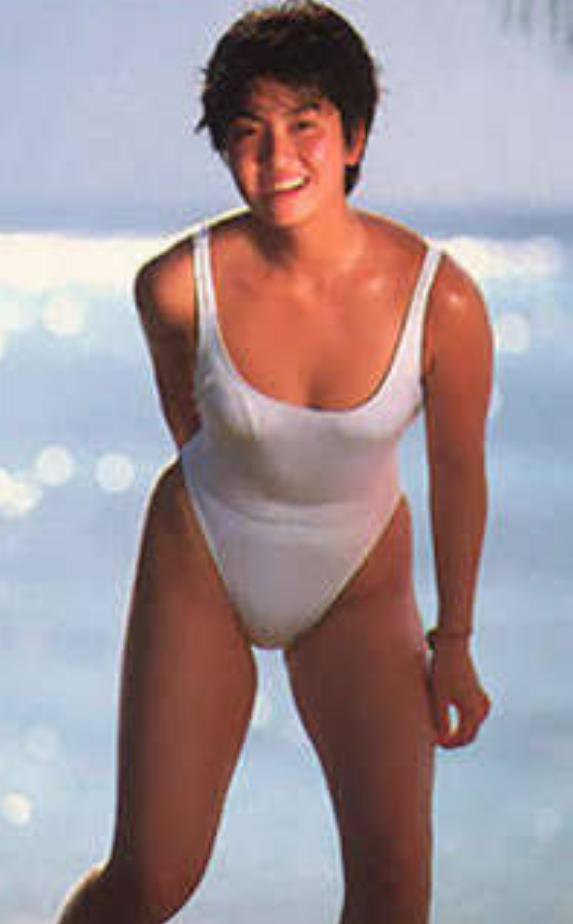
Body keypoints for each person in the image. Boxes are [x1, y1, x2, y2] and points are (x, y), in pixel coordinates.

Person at [56, 3, 492, 923]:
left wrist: (451, 643)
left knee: (393, 898)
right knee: (147, 882)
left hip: (358, 581)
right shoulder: (174, 288)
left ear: (353, 136)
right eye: (248, 130)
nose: (276, 156)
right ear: (222, 145)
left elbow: (458, 476)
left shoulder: (441, 302)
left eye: (304, 124)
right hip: (205, 558)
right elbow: (194, 429)